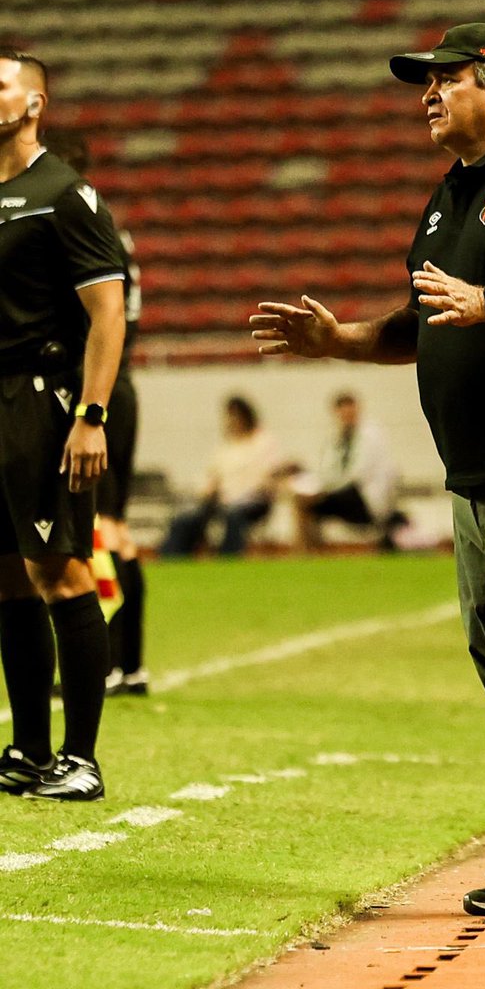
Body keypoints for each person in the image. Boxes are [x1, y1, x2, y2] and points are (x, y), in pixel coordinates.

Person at [252, 22, 485, 922]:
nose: (426, 94)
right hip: (479, 480)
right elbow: (426, 320)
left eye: (445, 79)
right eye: (421, 83)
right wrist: (340, 339)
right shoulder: (449, 197)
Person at [0, 49, 126, 801]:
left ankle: (80, 758)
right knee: (6, 578)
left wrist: (91, 414)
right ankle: (26, 749)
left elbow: (106, 313)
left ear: (34, 104)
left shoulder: (65, 195)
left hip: (40, 400)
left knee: (61, 571)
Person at [43, 127, 149, 697]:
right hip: (120, 383)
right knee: (116, 530)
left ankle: (106, 663)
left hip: (95, 389)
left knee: (96, 530)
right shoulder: (111, 228)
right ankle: (130, 663)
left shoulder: (76, 224)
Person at [159, 395, 283, 557]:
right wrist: (207, 490)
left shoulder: (264, 441)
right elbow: (213, 475)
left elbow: (271, 475)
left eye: (236, 416)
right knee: (187, 518)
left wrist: (246, 492)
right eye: (230, 417)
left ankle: (228, 558)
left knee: (234, 515)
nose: (233, 421)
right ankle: (172, 557)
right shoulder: (226, 446)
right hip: (222, 500)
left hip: (253, 501)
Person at [291, 391, 402, 552]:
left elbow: (357, 475)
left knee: (308, 501)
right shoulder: (337, 437)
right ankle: (308, 551)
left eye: (350, 411)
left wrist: (324, 491)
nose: (346, 416)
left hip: (364, 498)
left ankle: (306, 551)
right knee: (301, 500)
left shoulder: (371, 434)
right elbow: (327, 470)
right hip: (344, 492)